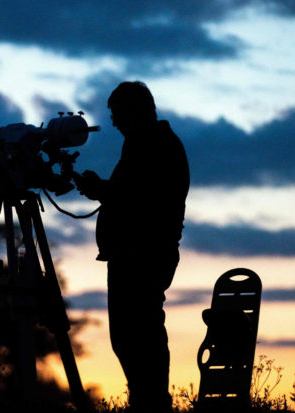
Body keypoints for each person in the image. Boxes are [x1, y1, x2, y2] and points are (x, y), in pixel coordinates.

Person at [75, 81, 189, 412]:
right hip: (136, 254)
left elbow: (142, 199)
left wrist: (102, 190)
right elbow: (133, 193)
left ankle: (151, 404)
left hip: (143, 255)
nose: (113, 122)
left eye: (117, 114)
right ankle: (147, 401)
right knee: (133, 335)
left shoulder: (156, 145)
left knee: (139, 334)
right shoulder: (146, 144)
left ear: (135, 111)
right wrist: (103, 189)